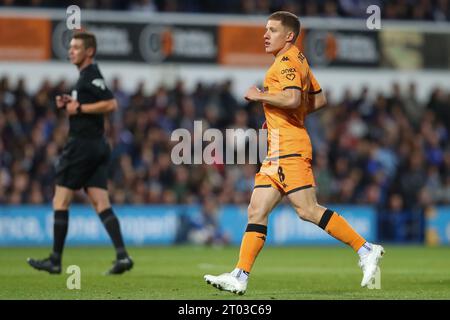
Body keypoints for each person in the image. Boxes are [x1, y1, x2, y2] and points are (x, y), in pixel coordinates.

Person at [204, 11, 384, 295]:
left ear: (288, 35)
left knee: (307, 210)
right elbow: (319, 99)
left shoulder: (286, 62)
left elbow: (292, 98)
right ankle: (240, 275)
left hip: (289, 148)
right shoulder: (298, 58)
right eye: (266, 29)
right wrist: (289, 113)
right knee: (257, 209)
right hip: (277, 149)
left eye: (272, 30)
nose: (265, 35)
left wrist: (260, 95)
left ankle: (366, 249)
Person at [27, 32, 133, 275]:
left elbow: (111, 103)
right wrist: (70, 103)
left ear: (90, 51)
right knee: (100, 202)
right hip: (96, 146)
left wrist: (80, 107)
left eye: (76, 47)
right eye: (71, 47)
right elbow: (90, 106)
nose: (71, 51)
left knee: (60, 200)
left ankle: (55, 260)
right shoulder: (84, 78)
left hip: (82, 146)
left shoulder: (91, 74)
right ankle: (122, 255)